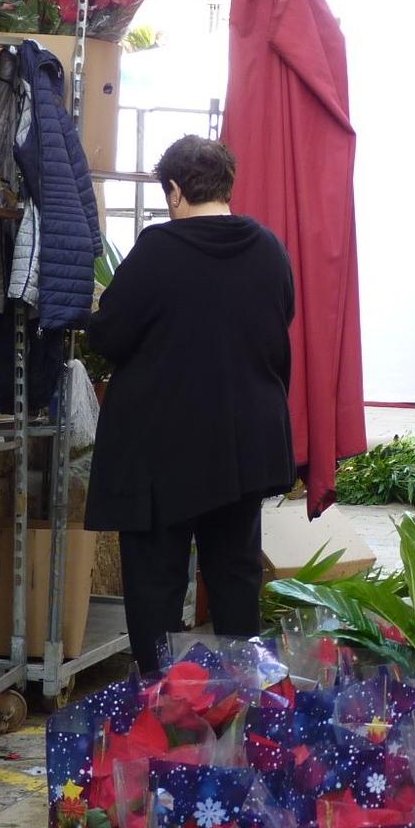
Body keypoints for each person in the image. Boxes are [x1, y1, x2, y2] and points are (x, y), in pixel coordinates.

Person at [87, 136, 296, 669]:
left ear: (175, 191)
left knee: (155, 588)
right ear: (227, 185)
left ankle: (165, 710)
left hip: (161, 453)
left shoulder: (158, 250)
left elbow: (108, 334)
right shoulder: (269, 249)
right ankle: (240, 707)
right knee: (235, 580)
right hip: (241, 448)